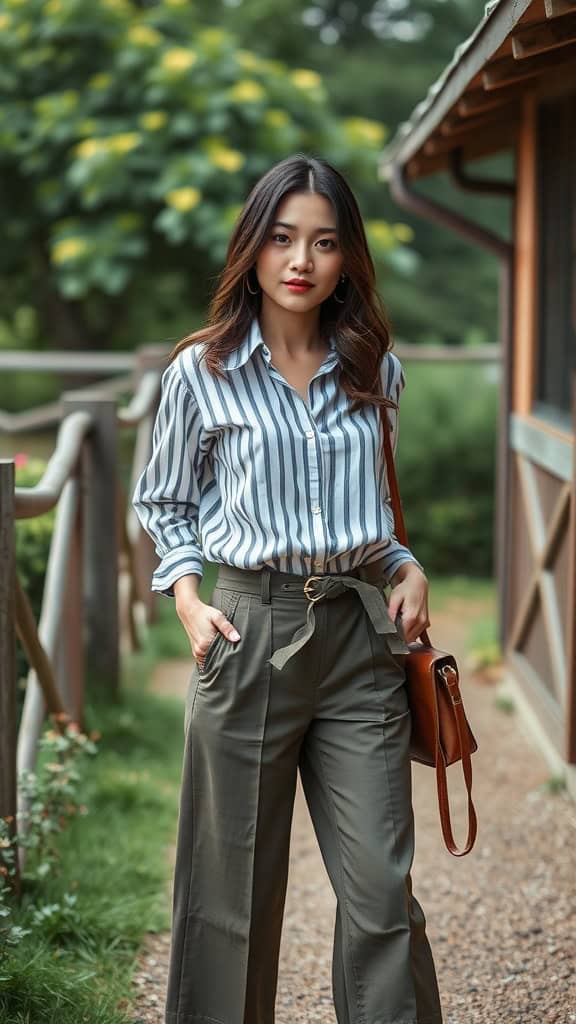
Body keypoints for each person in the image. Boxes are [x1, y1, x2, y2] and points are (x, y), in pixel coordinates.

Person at [132, 153, 443, 1024]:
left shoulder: (373, 368)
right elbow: (164, 503)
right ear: (254, 248)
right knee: (229, 897)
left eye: (325, 242)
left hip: (358, 637)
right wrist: (191, 602)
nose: (301, 260)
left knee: (383, 889)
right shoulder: (202, 372)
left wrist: (404, 566)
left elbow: (376, 519)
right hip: (245, 629)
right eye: (281, 238)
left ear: (348, 259)